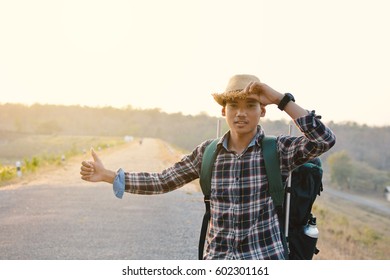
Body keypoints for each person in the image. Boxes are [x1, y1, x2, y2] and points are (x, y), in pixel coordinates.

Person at [80, 74, 336, 260]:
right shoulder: (208, 152)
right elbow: (163, 180)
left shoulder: (277, 150)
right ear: (223, 110)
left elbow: (323, 139)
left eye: (250, 105)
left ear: (263, 111)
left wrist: (281, 99)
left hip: (264, 257)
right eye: (234, 105)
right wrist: (109, 175)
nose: (241, 113)